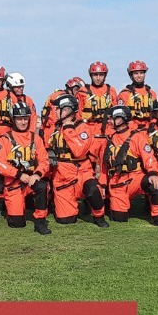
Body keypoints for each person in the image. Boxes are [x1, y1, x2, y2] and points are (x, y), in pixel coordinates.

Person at [88, 106, 158, 227]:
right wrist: (103, 185)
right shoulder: (108, 141)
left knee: (154, 183)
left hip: (136, 178)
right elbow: (104, 166)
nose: (109, 121)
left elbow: (149, 156)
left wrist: (153, 173)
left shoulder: (137, 137)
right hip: (117, 183)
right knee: (119, 218)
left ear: (121, 119)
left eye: (112, 119)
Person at [48, 94, 107, 227]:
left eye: (58, 108)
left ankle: (99, 216)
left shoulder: (83, 128)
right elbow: (48, 145)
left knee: (92, 189)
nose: (55, 111)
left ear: (67, 110)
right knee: (66, 220)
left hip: (82, 171)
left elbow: (79, 151)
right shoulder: (55, 128)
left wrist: (68, 129)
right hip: (63, 176)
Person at [0, 101, 51, 234]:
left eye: (25, 119)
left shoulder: (36, 138)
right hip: (14, 182)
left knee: (42, 186)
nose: (23, 122)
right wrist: (19, 175)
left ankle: (40, 221)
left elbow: (44, 160)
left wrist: (37, 174)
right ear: (13, 120)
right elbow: (0, 164)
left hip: (32, 179)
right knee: (17, 223)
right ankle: (15, 206)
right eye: (19, 119)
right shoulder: (4, 139)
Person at [77, 61, 118, 132]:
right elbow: (78, 114)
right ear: (91, 75)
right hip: (88, 128)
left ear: (105, 76)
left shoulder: (111, 91)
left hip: (107, 129)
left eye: (101, 75)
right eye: (95, 75)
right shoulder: (83, 91)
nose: (98, 78)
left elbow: (116, 113)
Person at [116, 61, 157, 131]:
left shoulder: (152, 94)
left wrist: (151, 126)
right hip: (131, 130)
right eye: (136, 73)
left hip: (149, 130)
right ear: (131, 75)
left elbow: (156, 115)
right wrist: (134, 127)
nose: (139, 76)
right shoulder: (125, 94)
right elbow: (121, 117)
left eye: (141, 73)